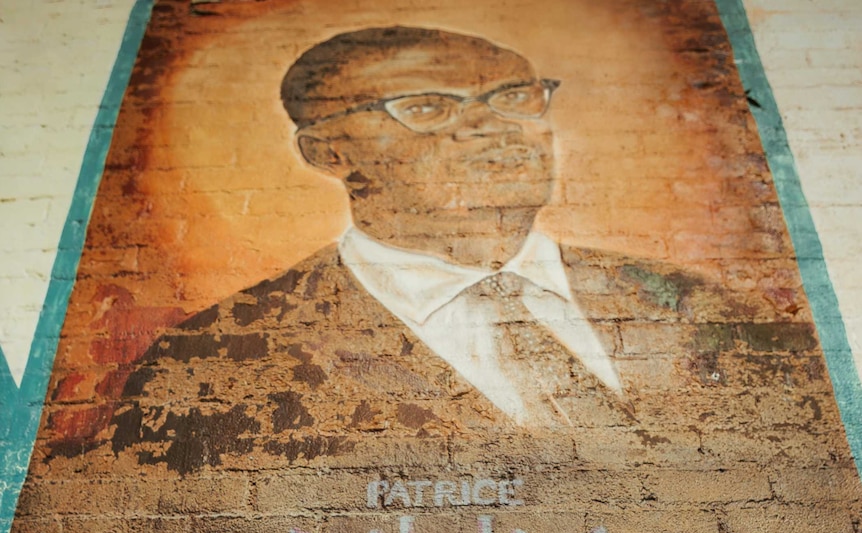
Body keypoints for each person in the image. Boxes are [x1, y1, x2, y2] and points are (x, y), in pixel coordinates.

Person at [105, 24, 741, 474]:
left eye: (515, 97)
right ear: (328, 153)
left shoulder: (697, 309)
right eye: (427, 107)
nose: (489, 124)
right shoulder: (216, 359)